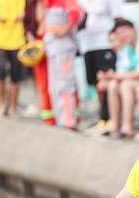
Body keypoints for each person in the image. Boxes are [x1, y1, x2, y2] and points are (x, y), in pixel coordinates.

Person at [77, 0, 122, 134]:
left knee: (106, 81)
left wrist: (117, 40)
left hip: (105, 43)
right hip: (87, 44)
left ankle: (109, 118)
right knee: (95, 83)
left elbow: (118, 17)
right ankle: (102, 117)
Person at [42, 0, 82, 129]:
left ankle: (69, 121)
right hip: (52, 46)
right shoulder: (49, 3)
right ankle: (61, 120)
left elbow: (77, 13)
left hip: (63, 47)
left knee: (65, 84)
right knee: (53, 86)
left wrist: (65, 28)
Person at [0, 0, 26, 116]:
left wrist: (24, 16)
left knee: (15, 73)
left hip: (16, 37)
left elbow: (28, 11)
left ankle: (13, 107)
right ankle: (2, 105)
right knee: (0, 70)